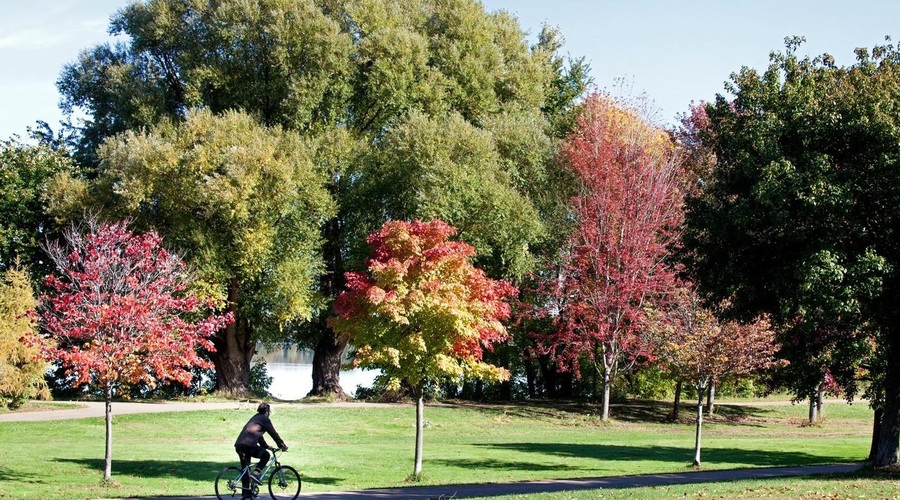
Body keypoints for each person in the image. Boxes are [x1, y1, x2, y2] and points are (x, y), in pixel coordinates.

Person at [234, 403, 288, 499]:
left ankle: (246, 494)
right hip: (248, 445)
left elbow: (257, 435)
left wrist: (267, 446)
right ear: (267, 411)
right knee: (266, 455)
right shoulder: (264, 419)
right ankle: (256, 473)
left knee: (245, 469)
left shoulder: (255, 418)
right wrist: (281, 445)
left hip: (239, 445)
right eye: (269, 412)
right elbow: (273, 433)